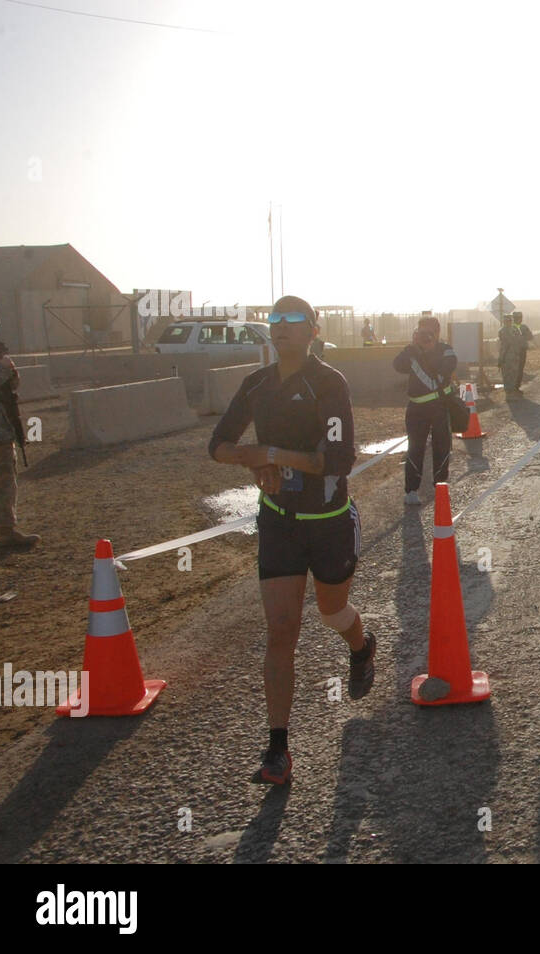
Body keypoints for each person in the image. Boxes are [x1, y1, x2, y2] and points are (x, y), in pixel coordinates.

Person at [208, 295, 372, 785]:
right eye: (274, 319)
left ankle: (361, 647)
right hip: (279, 520)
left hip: (329, 519)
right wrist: (256, 463)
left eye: (292, 319)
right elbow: (217, 446)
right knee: (282, 632)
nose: (280, 327)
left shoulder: (329, 382)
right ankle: (277, 748)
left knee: (331, 613)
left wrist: (273, 453)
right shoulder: (255, 383)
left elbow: (340, 459)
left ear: (313, 328)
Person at [0, 307, 40, 549]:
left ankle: (6, 532)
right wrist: (3, 369)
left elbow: (13, 383)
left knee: (6, 485)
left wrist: (7, 370)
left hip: (2, 429)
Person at [393, 316, 458, 505]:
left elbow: (442, 373)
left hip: (440, 406)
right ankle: (411, 490)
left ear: (437, 333)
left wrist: (424, 354)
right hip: (416, 409)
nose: (425, 336)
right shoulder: (412, 352)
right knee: (415, 448)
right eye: (421, 332)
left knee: (442, 446)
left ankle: (440, 484)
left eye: (429, 333)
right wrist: (411, 349)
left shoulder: (446, 351)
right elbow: (397, 366)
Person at [499, 314, 525, 393]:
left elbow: (519, 340)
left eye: (509, 320)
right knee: (507, 373)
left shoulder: (514, 329)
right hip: (506, 355)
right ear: (504, 322)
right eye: (507, 321)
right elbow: (507, 341)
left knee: (514, 372)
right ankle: (508, 389)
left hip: (514, 354)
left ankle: (513, 388)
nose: (508, 322)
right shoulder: (503, 331)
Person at [512, 312, 533, 388]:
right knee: (518, 368)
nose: (518, 319)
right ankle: (516, 385)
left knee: (518, 368)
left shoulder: (512, 327)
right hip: (516, 351)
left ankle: (516, 385)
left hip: (518, 351)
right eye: (517, 318)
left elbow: (530, 337)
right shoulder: (513, 327)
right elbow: (530, 337)